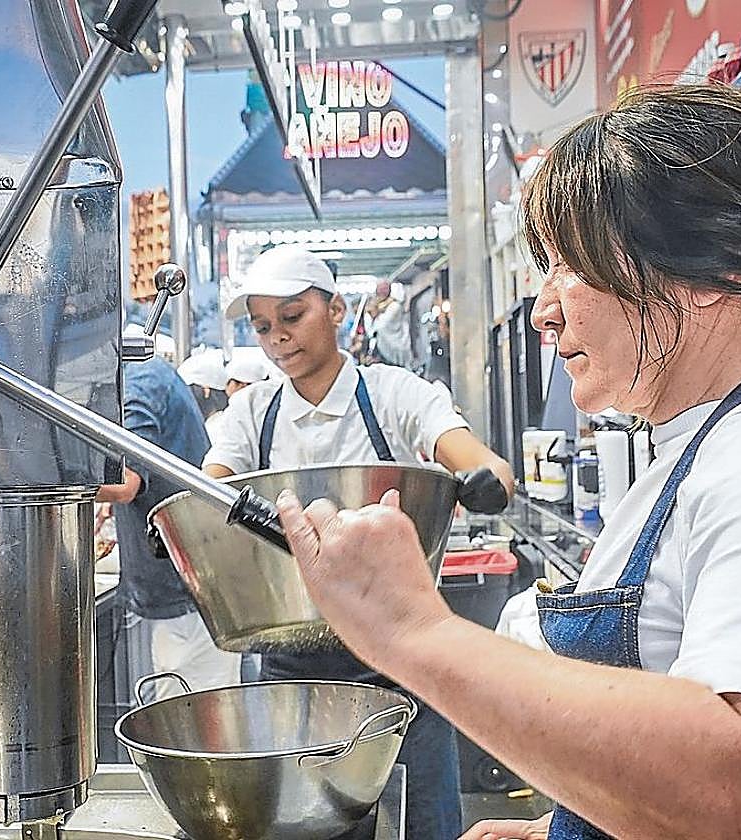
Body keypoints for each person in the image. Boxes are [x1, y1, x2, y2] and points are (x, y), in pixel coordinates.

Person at [271, 85, 741, 840]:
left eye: (569, 266)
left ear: (713, 276)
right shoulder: (709, 444)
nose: (544, 309)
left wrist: (413, 631)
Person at [203, 244, 515, 840]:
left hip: (401, 660)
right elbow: (212, 485)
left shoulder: (395, 395)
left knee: (421, 824)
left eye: (293, 317)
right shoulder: (250, 414)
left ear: (337, 309)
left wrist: (484, 479)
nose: (278, 339)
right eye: (264, 326)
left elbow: (472, 455)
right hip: (289, 668)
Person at [97, 355, 239, 699]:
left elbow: (127, 483)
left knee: (193, 713)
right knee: (198, 707)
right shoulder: (148, 374)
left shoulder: (137, 386)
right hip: (193, 581)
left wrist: (45, 481)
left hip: (185, 589)